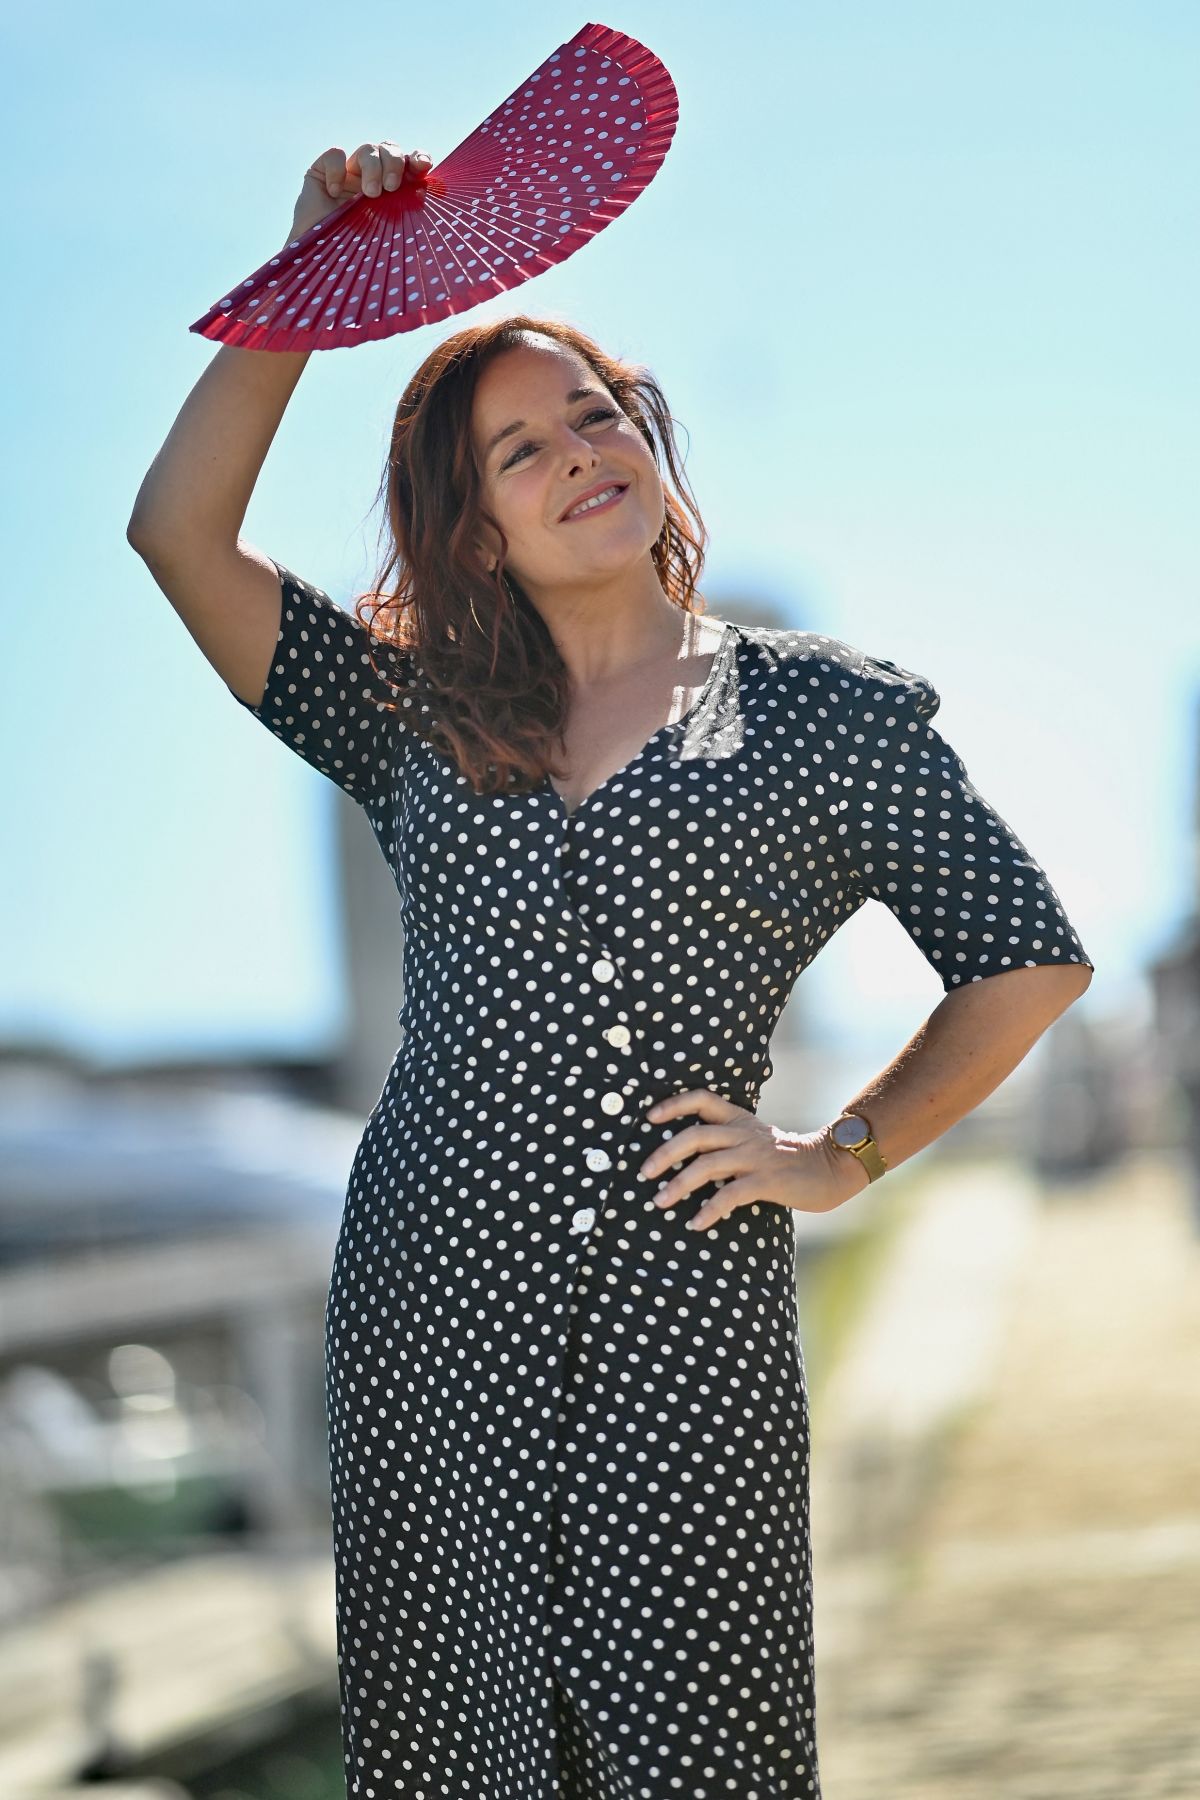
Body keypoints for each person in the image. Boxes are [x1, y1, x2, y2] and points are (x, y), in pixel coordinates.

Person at [127, 139, 1095, 1800]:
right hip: (428, 1317)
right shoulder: (412, 714)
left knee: (699, 1757)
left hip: (681, 1314)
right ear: (477, 531)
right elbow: (176, 531)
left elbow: (1024, 963)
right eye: (522, 448)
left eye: (599, 413)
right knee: (456, 1760)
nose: (582, 451)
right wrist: (306, 276)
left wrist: (837, 1155)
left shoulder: (822, 714)